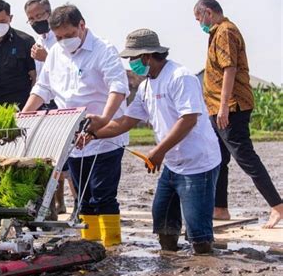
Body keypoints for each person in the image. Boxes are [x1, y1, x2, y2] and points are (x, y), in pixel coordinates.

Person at [81, 29, 221, 254]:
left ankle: (205, 261)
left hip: (197, 164)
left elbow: (189, 120)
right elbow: (125, 122)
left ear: (146, 56)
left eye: (132, 59)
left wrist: (158, 151)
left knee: (198, 233)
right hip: (173, 163)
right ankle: (169, 259)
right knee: (163, 221)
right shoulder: (146, 85)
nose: (131, 63)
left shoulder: (180, 77)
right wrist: (94, 135)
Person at [22, 4, 130, 247]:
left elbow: (118, 87)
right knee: (83, 197)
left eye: (69, 35)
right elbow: (43, 88)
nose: (64, 41)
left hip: (104, 137)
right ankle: (90, 245)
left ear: (82, 25)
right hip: (72, 137)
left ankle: (112, 246)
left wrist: (104, 118)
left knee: (103, 195)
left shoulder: (103, 50)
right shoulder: (56, 54)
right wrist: (24, 115)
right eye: (59, 37)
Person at [194, 0, 283, 228]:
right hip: (217, 108)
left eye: (199, 19)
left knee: (245, 156)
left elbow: (229, 69)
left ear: (209, 13)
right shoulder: (217, 32)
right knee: (218, 159)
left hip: (231, 107)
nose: (199, 24)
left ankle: (278, 206)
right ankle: (220, 208)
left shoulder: (225, 31)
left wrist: (223, 106)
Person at [24, 0, 76, 215]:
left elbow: (70, 67)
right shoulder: (40, 42)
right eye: (31, 18)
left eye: (40, 16)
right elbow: (41, 80)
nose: (36, 21)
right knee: (49, 155)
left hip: (63, 101)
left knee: (70, 155)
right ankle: (55, 204)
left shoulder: (61, 39)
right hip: (45, 102)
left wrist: (47, 58)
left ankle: (77, 202)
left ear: (49, 13)